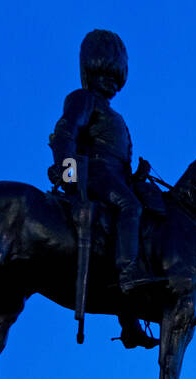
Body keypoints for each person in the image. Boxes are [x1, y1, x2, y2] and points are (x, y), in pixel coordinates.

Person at [48, 30, 165, 293]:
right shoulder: (83, 99)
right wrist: (68, 173)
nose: (111, 83)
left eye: (116, 78)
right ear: (91, 73)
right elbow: (66, 131)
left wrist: (137, 176)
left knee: (152, 209)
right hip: (94, 171)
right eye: (105, 76)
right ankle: (127, 270)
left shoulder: (117, 116)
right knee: (130, 206)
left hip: (115, 176)